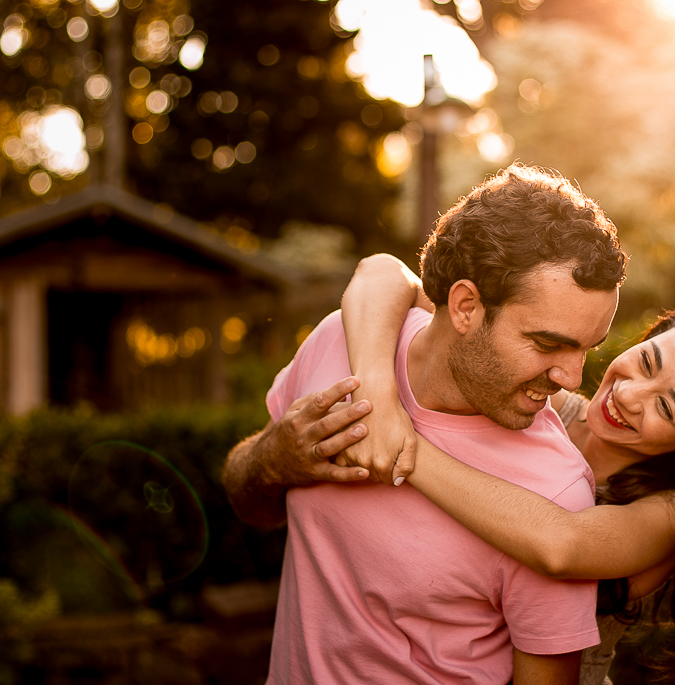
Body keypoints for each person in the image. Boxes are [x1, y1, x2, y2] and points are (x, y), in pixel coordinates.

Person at [222, 164, 628, 684]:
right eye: (548, 344)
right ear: (465, 306)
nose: (571, 379)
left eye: (586, 350)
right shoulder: (341, 341)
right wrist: (273, 457)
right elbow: (245, 499)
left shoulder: (556, 493)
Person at [329, 254, 675, 685]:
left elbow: (560, 545)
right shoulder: (542, 403)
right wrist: (376, 395)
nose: (627, 396)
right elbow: (381, 273)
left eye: (667, 408)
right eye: (646, 362)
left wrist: (400, 444)